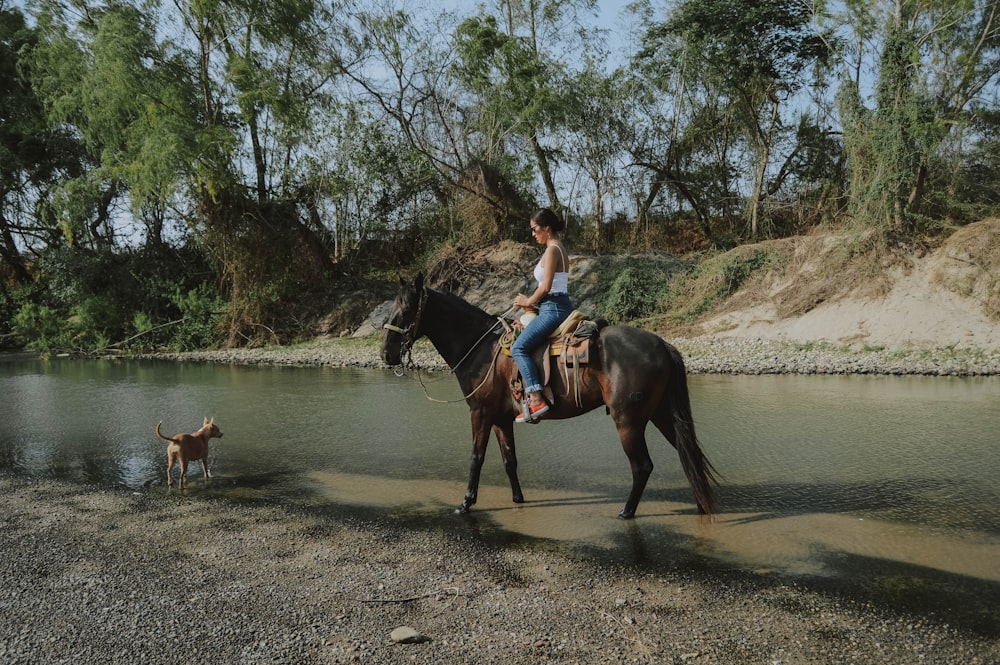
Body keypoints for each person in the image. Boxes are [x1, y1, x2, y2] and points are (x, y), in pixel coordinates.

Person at [511, 208, 573, 423]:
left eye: (535, 229)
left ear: (546, 228)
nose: (533, 233)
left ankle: (536, 398)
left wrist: (527, 301)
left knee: (518, 347)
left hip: (552, 308)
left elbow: (546, 287)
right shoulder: (558, 248)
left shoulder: (552, 250)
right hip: (555, 305)